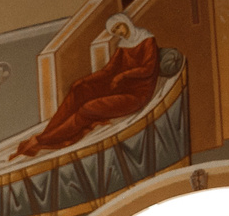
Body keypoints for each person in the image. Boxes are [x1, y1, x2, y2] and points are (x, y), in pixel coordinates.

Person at [20, 14, 159, 156]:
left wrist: (123, 75)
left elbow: (148, 69)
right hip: (120, 88)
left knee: (87, 109)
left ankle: (46, 140)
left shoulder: (146, 40)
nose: (119, 31)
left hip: (137, 95)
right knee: (79, 90)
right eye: (115, 31)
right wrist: (84, 80)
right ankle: (50, 132)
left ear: (126, 22)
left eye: (119, 26)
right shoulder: (123, 45)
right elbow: (108, 71)